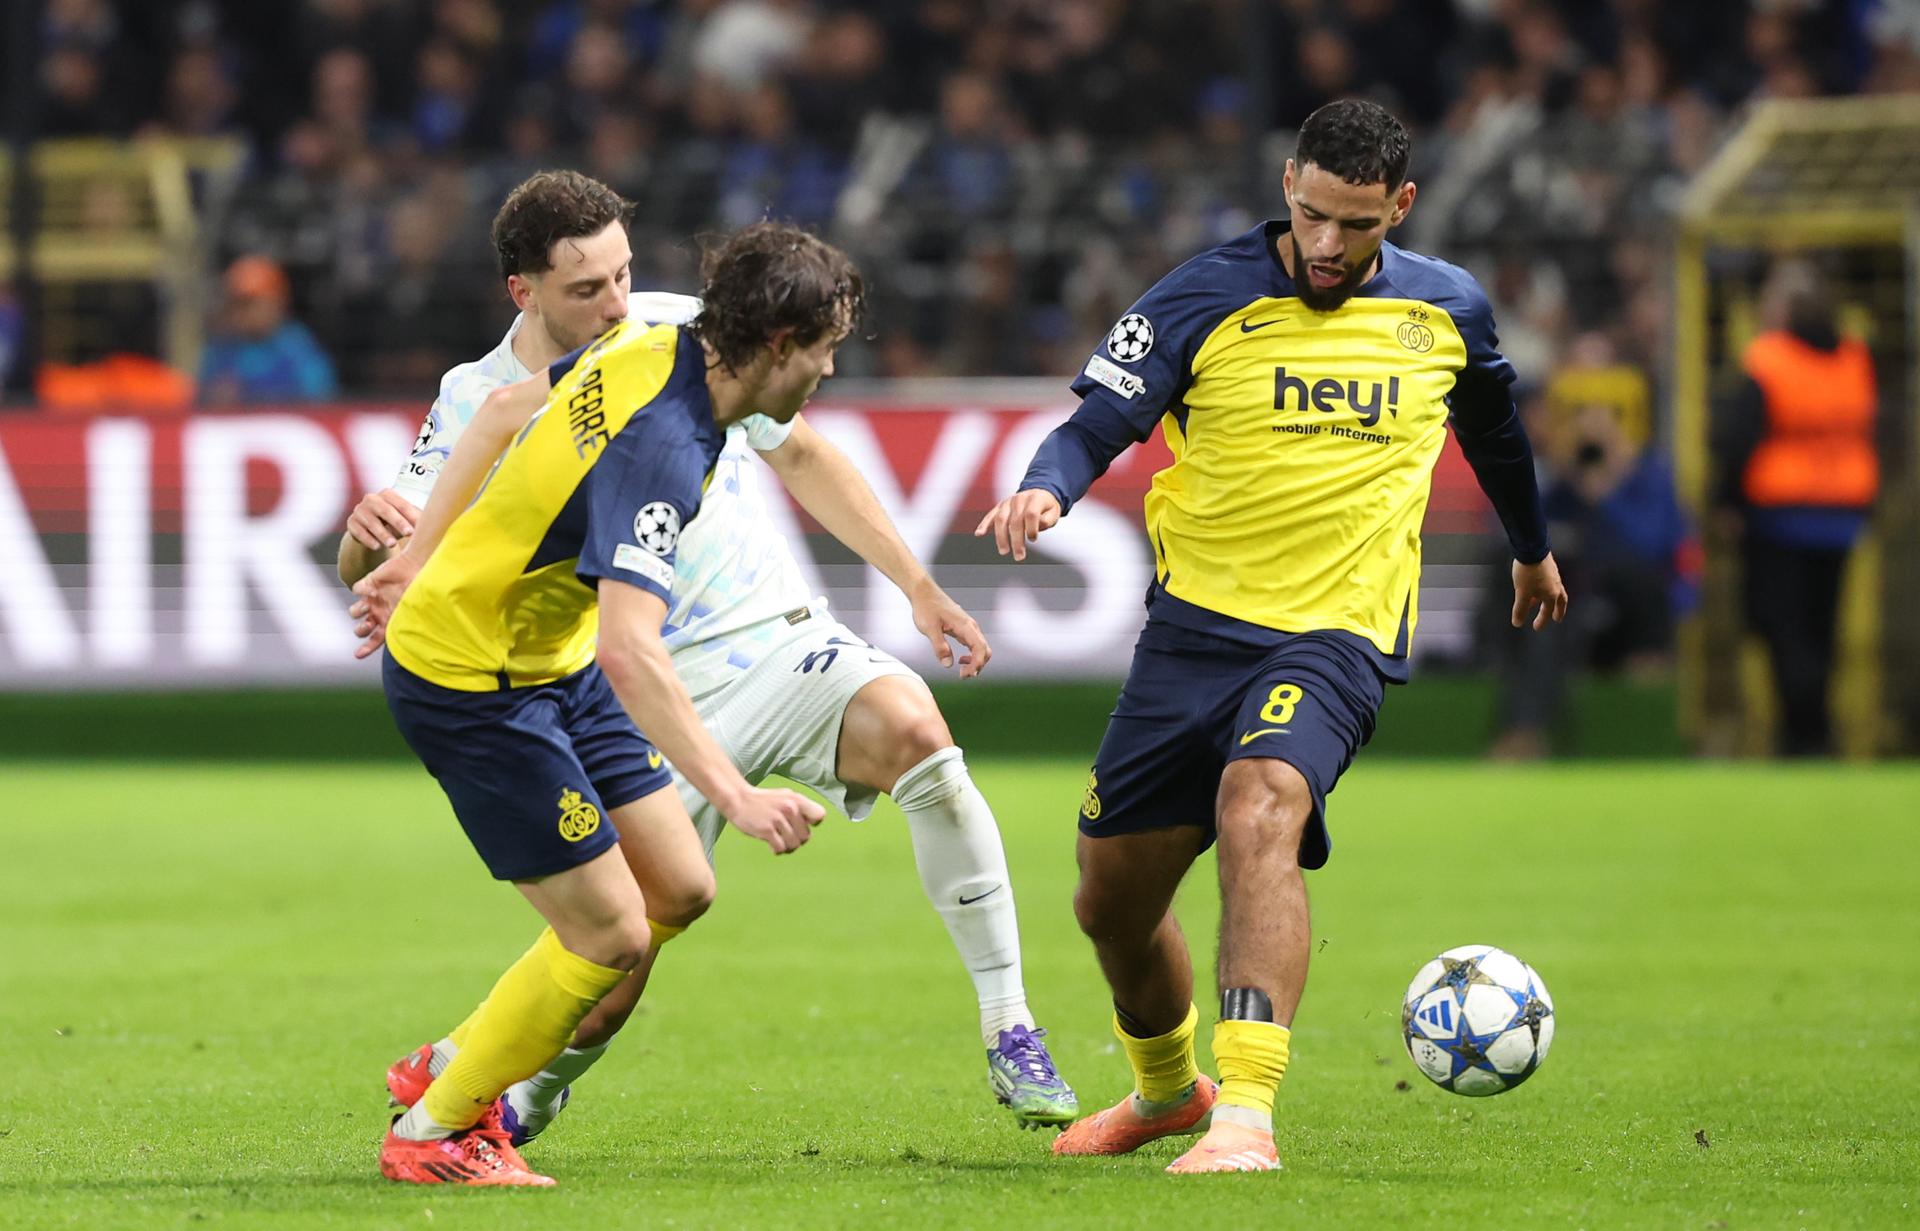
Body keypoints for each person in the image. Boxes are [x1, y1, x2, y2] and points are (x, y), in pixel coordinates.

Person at [339, 171, 1076, 1138]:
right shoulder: (505, 396)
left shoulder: (683, 332)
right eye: (587, 289)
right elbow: (396, 534)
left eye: (624, 274)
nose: (615, 303)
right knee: (618, 948)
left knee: (913, 729)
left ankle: (1009, 1021)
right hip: (636, 678)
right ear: (525, 292)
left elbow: (803, 453)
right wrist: (377, 548)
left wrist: (916, 584)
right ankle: (501, 1085)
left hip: (769, 637)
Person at [976, 99, 1567, 1175]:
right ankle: (1168, 1093)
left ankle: (1245, 1113)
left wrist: (1531, 545)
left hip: (1335, 632)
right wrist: (1044, 489)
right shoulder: (1204, 295)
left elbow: (1496, 429)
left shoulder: (1448, 309)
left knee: (1262, 806)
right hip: (1192, 636)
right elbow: (1094, 425)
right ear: (1286, 183)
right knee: (1109, 901)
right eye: (1310, 216)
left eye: (1358, 225)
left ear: (1402, 206)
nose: (1330, 246)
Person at [347, 220, 856, 1186]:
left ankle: (454, 1057)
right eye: (825, 349)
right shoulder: (664, 451)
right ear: (779, 345)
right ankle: (435, 1131)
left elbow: (500, 412)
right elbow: (633, 646)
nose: (828, 371)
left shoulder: (653, 343)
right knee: (613, 932)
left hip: (551, 659)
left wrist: (414, 555)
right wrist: (736, 796)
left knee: (679, 888)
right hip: (472, 682)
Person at [1712, 260, 1878, 757]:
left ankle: (1799, 735)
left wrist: (1726, 502)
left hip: (1780, 515)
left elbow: (1739, 438)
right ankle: (1819, 731)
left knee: (1782, 631)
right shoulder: (1853, 356)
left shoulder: (1768, 359)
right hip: (1842, 513)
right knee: (1824, 631)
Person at [198, 256, 339, 404]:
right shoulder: (222, 348)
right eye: (235, 303)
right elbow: (201, 396)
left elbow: (319, 397)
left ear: (275, 302)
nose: (240, 312)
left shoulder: (297, 347)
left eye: (248, 303)